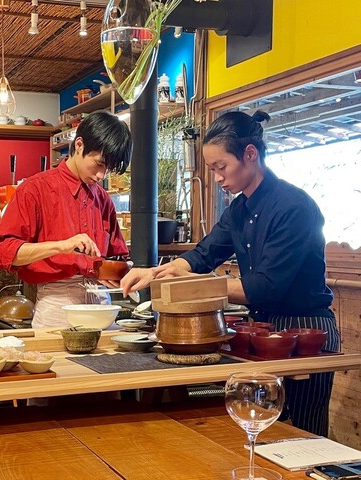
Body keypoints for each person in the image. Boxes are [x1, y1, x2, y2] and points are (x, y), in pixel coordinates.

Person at [120, 110, 339, 436]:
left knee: (305, 433)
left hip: (306, 328)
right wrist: (155, 272)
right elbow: (204, 253)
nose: (217, 177)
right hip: (262, 328)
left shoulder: (293, 206)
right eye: (212, 169)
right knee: (262, 429)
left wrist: (201, 286)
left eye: (221, 167)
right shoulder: (238, 209)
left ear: (250, 154)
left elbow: (265, 287)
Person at [0, 110, 132, 328]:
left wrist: (118, 272)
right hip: (57, 303)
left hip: (101, 302)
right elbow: (2, 252)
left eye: (108, 169)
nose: (101, 176)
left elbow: (116, 255)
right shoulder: (35, 189)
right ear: (79, 145)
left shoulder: (102, 199)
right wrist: (62, 246)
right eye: (99, 164)